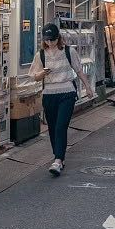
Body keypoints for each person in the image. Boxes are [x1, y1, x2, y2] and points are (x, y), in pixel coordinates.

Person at [29, 23, 95, 177]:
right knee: (52, 128)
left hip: (67, 92)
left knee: (60, 126)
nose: (50, 43)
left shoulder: (68, 51)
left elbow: (78, 70)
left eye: (52, 39)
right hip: (49, 94)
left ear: (58, 37)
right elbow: (34, 76)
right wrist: (42, 74)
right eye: (47, 40)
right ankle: (58, 156)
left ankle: (58, 160)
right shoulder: (41, 55)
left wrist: (89, 87)